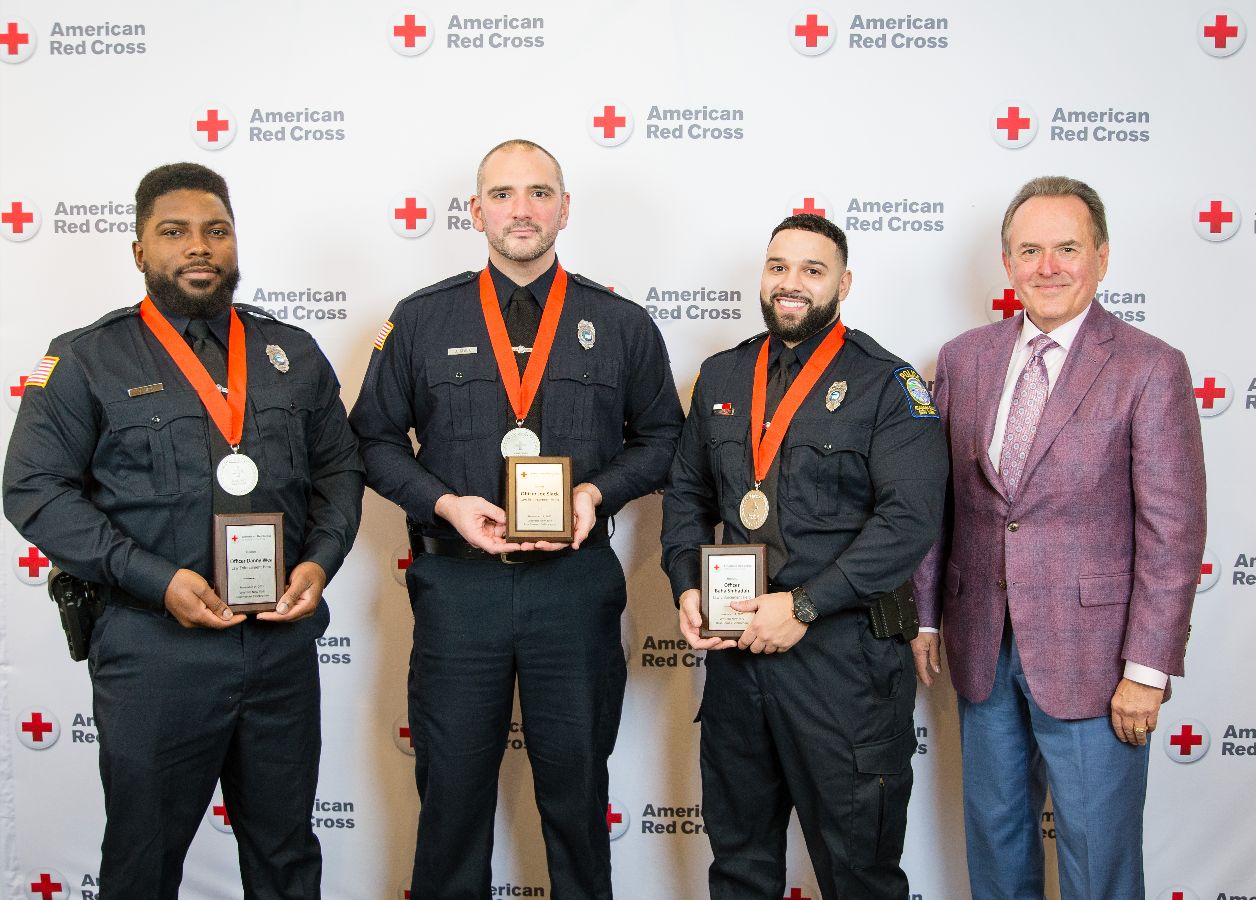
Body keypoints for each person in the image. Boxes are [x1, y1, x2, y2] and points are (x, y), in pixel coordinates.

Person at [3, 162, 364, 899]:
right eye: (174, 233)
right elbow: (32, 488)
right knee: (143, 860)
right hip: (153, 652)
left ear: (235, 244)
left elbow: (340, 473)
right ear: (140, 251)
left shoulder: (289, 354)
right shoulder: (85, 358)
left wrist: (320, 561)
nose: (198, 247)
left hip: (279, 647)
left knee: (287, 855)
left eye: (215, 231)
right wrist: (156, 578)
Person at [349, 138, 683, 899]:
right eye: (502, 194)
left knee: (576, 797)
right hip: (458, 585)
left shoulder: (619, 322)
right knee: (453, 798)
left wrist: (596, 494)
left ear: (565, 208)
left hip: (575, 587)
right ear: (475, 211)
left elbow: (665, 438)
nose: (521, 210)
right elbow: (370, 438)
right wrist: (443, 503)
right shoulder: (421, 319)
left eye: (539, 192)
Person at [910, 176, 1206, 899]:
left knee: (1096, 858)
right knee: (996, 840)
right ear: (1007, 262)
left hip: (1098, 664)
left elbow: (1173, 532)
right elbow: (938, 499)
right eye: (1030, 250)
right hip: (981, 644)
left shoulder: (1150, 367)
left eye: (1067, 249)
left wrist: (1148, 668)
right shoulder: (963, 359)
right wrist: (923, 612)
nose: (1048, 267)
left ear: (1102, 258)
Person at [661, 213, 948, 899]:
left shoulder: (887, 383)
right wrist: (684, 583)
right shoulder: (724, 375)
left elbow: (911, 520)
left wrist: (805, 604)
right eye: (778, 267)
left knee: (858, 874)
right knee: (740, 866)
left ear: (843, 283)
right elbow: (686, 492)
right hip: (738, 668)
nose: (791, 284)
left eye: (812, 271)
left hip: (844, 665)